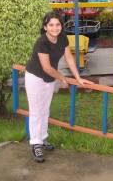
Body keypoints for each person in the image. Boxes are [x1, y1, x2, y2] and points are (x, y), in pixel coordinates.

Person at [25, 11, 93, 163]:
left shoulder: (62, 38)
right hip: (35, 77)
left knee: (45, 109)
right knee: (36, 111)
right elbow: (47, 67)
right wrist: (63, 78)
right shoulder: (41, 42)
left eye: (57, 25)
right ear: (45, 27)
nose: (55, 28)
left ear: (61, 26)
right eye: (51, 25)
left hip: (50, 78)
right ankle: (35, 143)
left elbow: (69, 58)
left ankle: (42, 138)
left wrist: (78, 78)